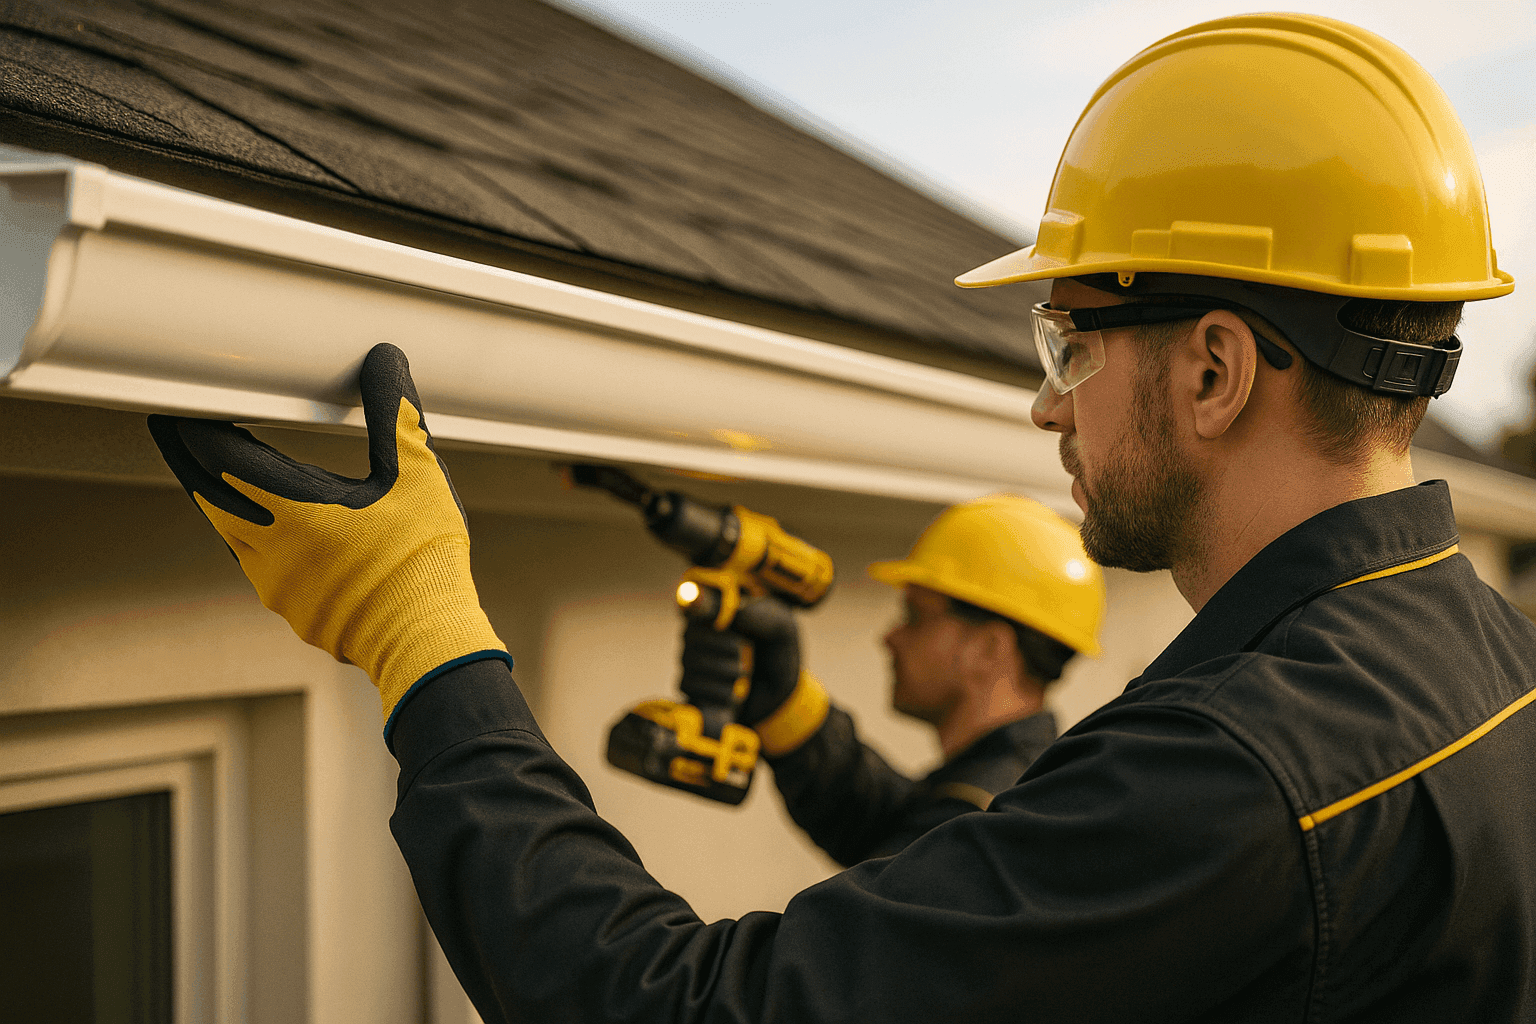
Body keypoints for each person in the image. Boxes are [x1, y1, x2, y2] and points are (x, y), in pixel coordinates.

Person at [148, 13, 1536, 1023]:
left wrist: (419, 637)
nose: (1050, 410)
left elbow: (683, 1011)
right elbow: (999, 897)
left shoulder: (1239, 773)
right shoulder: (1481, 649)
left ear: (1218, 368)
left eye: (1070, 344)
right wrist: (808, 735)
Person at [713, 495, 1105, 866]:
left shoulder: (980, 831)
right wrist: (787, 701)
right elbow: (885, 818)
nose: (891, 637)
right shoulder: (1017, 787)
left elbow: (842, 925)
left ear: (988, 649)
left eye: (915, 616)